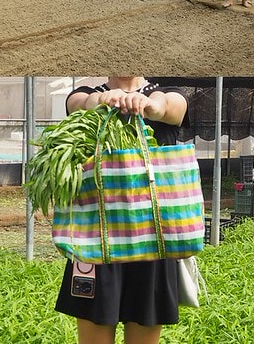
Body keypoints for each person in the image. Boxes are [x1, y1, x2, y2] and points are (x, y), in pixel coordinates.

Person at [55, 77, 189, 344]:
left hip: (153, 238)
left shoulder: (165, 92)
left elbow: (172, 108)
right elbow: (79, 105)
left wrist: (152, 106)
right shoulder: (86, 93)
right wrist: (102, 100)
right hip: (96, 238)